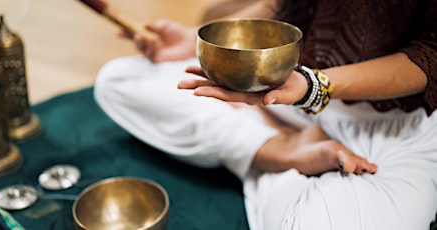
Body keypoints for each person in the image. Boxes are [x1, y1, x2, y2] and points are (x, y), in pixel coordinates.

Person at [94, 0, 437, 229]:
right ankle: (281, 149)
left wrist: (313, 86)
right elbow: (281, 3)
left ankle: (261, 151)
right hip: (290, 88)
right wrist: (201, 46)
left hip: (396, 125)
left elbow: (431, 55)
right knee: (118, 80)